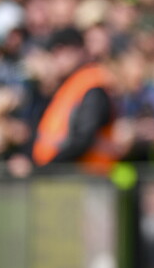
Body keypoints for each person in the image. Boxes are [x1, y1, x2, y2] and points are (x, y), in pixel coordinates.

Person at [31, 27, 119, 174]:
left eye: (63, 51)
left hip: (88, 178)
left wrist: (47, 168)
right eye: (55, 53)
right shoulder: (68, 86)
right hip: (68, 178)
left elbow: (83, 138)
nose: (58, 58)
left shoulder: (92, 87)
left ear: (80, 51)